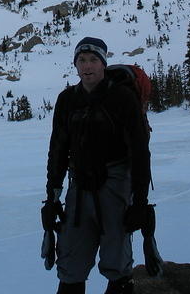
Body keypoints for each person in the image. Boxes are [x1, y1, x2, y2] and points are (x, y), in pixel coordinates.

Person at [43, 37, 152, 294]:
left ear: (103, 63)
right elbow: (57, 150)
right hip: (79, 189)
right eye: (82, 60)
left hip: (114, 188)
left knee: (117, 262)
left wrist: (140, 203)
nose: (87, 66)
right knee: (70, 262)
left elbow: (139, 153)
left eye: (93, 60)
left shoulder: (122, 98)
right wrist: (52, 197)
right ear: (75, 65)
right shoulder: (67, 99)